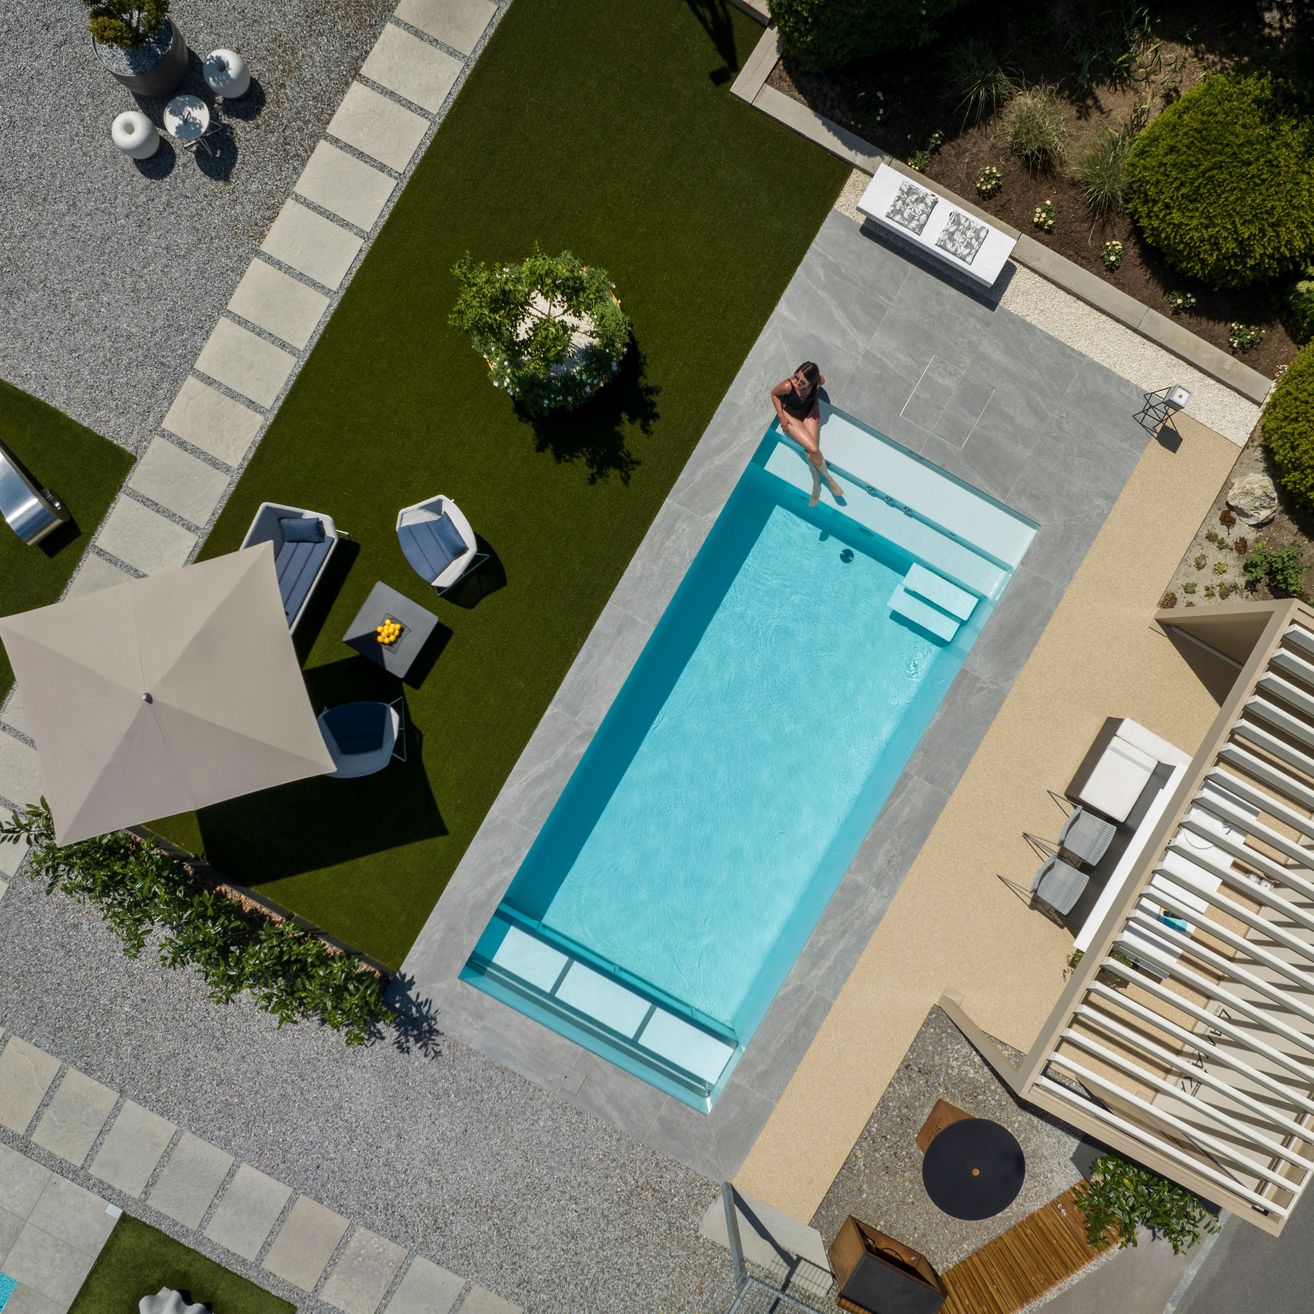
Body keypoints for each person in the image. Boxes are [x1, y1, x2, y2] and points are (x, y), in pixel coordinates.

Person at [769, 361, 843, 507]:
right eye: (796, 376)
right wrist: (781, 416)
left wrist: (815, 405)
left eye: (802, 382)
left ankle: (816, 485)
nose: (797, 382)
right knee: (814, 449)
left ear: (812, 382)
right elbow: (774, 394)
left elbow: (820, 382)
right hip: (791, 416)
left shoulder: (818, 382)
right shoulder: (788, 385)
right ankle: (829, 480)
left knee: (810, 454)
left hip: (808, 414)